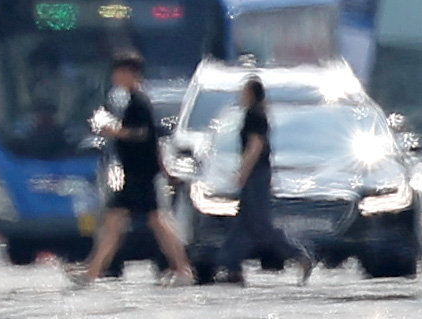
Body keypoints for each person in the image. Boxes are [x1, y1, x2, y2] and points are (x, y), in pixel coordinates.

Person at [67, 51, 193, 287]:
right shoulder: (132, 101)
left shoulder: (139, 102)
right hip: (134, 174)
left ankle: (183, 269)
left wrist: (112, 130)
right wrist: (165, 170)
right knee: (114, 223)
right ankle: (91, 272)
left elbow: (142, 134)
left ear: (130, 74)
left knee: (157, 222)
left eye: (119, 71)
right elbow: (153, 141)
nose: (115, 76)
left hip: (141, 176)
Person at [214, 77, 313, 286]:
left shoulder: (255, 115)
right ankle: (231, 266)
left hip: (256, 175)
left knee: (261, 226)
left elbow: (255, 145)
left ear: (251, 93)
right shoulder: (255, 114)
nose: (240, 95)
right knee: (243, 224)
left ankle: (299, 255)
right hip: (257, 174)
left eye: (243, 91)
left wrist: (243, 172)